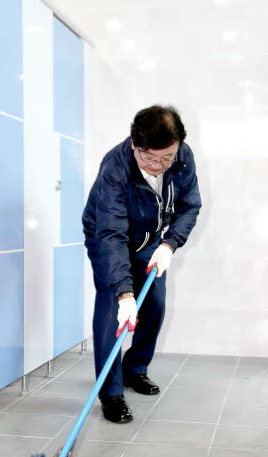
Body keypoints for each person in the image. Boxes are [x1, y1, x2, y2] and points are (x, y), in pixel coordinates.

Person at [82, 105, 201, 423]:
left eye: (166, 158)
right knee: (114, 313)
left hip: (152, 242)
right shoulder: (115, 168)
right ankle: (110, 392)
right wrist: (124, 293)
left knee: (154, 305)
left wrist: (169, 243)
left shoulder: (182, 156)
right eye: (149, 158)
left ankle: (134, 369)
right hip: (107, 238)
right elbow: (112, 235)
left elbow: (190, 205)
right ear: (135, 145)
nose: (158, 166)